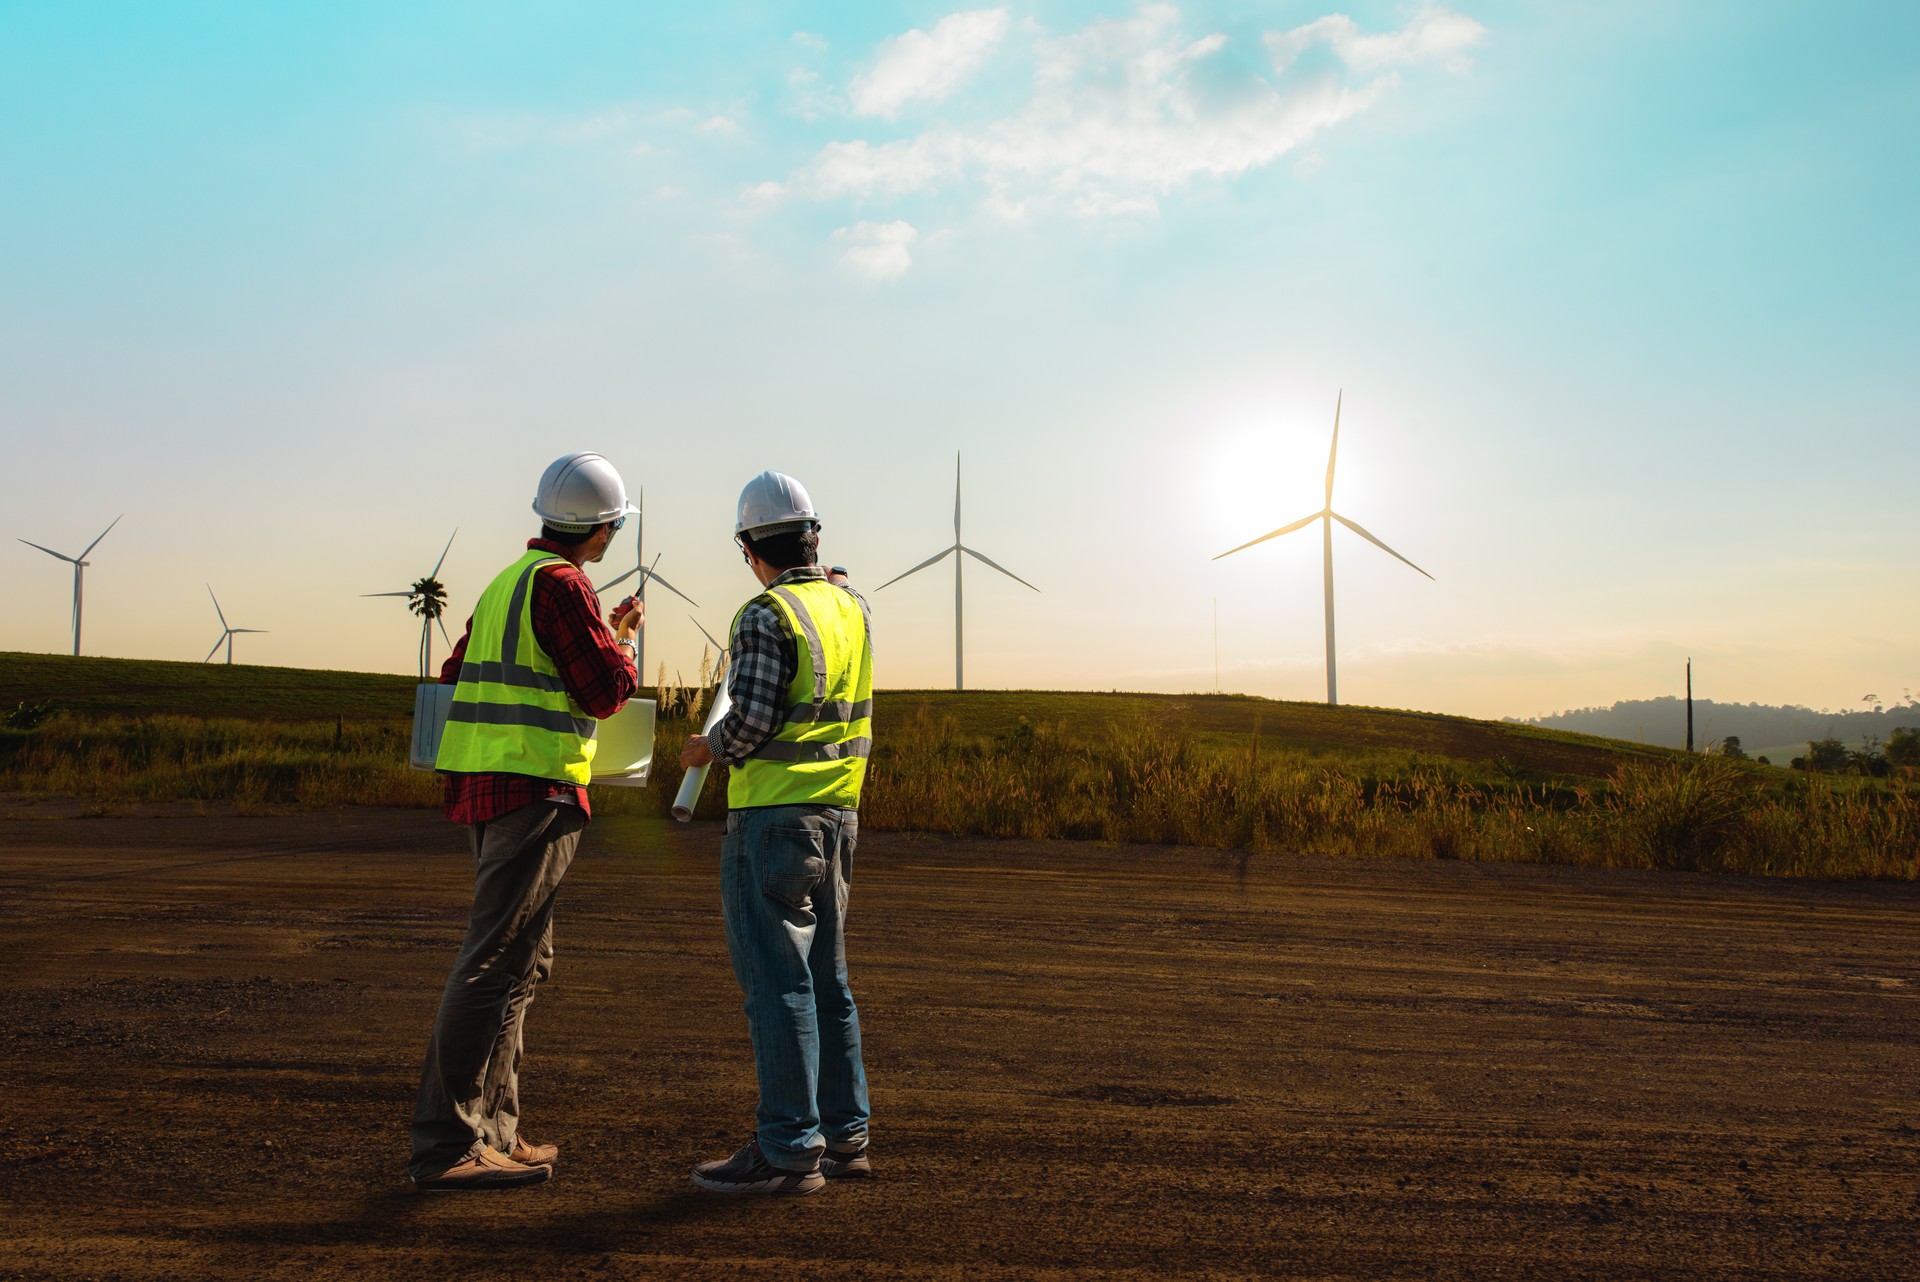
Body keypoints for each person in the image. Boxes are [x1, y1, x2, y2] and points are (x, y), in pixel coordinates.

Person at [406, 451, 644, 1192]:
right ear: (601, 529)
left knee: (519, 966)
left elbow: (455, 676)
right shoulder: (566, 586)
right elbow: (607, 688)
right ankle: (448, 1142)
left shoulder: (507, 583)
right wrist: (622, 640)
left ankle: (496, 1132)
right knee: (492, 960)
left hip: (487, 785)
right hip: (533, 790)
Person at [680, 471, 874, 1195]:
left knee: (777, 984)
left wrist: (709, 748)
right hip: (838, 818)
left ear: (748, 546)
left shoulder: (765, 615)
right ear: (813, 535)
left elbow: (754, 718)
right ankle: (845, 1136)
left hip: (774, 822)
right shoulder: (851, 608)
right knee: (828, 982)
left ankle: (790, 1147)